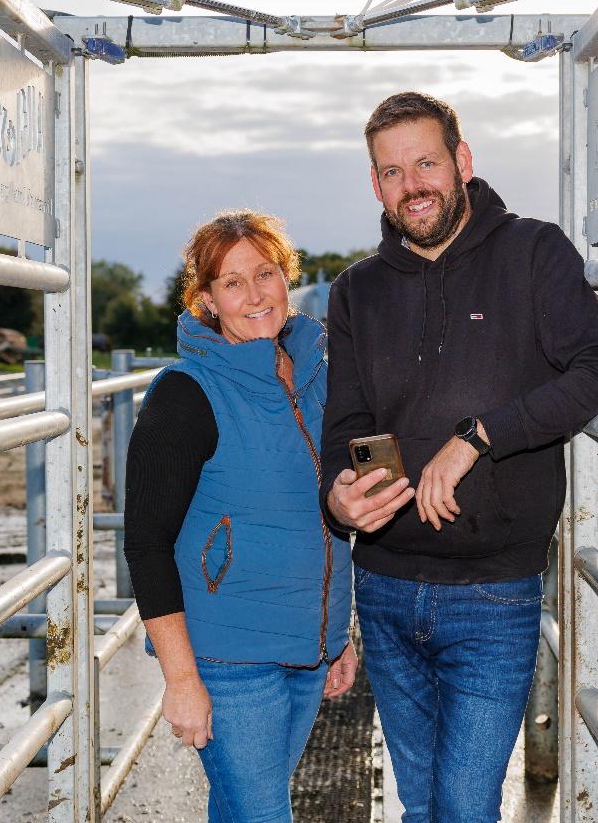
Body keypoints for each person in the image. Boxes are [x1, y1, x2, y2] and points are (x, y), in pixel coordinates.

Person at [321, 92, 598, 821]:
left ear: (462, 162)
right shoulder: (356, 291)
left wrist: (477, 437)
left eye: (426, 162)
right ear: (376, 184)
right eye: (392, 172)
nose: (413, 185)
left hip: (492, 591)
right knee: (420, 806)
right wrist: (337, 499)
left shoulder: (531, 253)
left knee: (465, 810)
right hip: (385, 586)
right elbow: (345, 425)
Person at [123, 210, 358, 823]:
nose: (255, 295)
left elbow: (330, 519)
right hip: (226, 657)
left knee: (239, 812)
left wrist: (338, 635)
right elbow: (145, 546)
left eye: (266, 273)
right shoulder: (185, 392)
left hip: (307, 650)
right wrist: (181, 679)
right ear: (206, 300)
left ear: (287, 278)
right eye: (232, 282)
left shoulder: (317, 377)